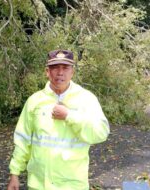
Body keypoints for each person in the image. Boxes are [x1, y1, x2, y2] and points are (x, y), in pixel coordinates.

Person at [7, 49, 110, 190]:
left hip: (72, 184)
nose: (60, 73)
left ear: (72, 72)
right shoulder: (34, 101)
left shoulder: (87, 99)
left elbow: (101, 133)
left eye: (65, 68)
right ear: (47, 72)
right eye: (55, 68)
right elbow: (22, 139)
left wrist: (69, 116)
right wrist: (15, 173)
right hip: (38, 184)